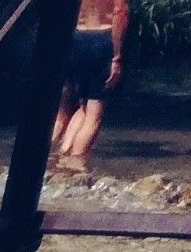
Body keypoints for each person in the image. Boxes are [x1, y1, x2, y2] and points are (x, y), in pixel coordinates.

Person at [54, 0, 130, 174]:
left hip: (77, 38)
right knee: (94, 115)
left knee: (83, 105)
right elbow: (120, 11)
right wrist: (117, 56)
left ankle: (61, 155)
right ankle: (75, 165)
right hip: (102, 39)